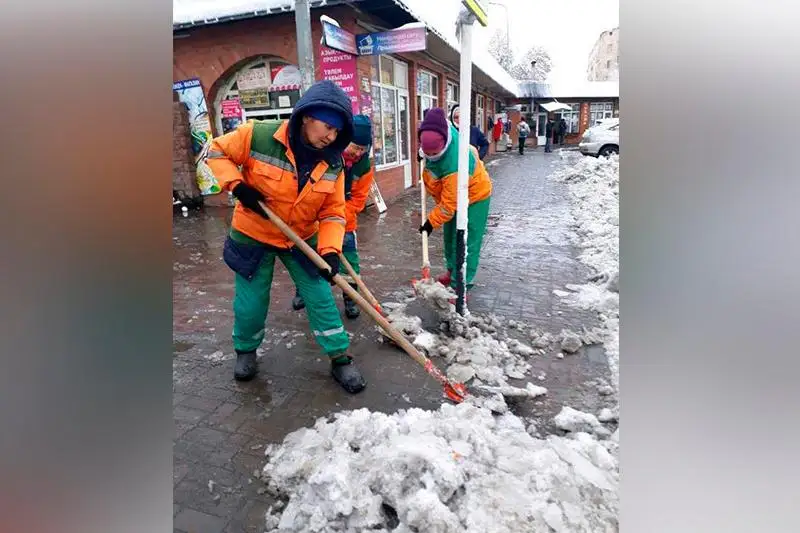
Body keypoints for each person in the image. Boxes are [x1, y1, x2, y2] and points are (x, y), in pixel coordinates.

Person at [206, 79, 366, 394]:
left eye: (337, 132)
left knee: (320, 296)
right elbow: (216, 151)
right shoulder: (258, 136)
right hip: (253, 232)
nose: (331, 137)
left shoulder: (333, 162)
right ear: (306, 116)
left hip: (300, 237)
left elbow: (333, 212)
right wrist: (237, 185)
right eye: (327, 127)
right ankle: (246, 350)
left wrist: (330, 250)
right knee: (251, 301)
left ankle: (339, 357)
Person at [292, 115, 375, 320]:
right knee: (309, 258)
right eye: (356, 146)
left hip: (345, 223)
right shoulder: (325, 155)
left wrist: (335, 219)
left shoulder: (364, 166)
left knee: (350, 264)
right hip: (313, 221)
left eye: (363, 149)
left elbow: (359, 200)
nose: (358, 153)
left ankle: (351, 299)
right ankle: (303, 291)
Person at [417, 108, 493, 300]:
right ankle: (452, 271)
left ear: (444, 145)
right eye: (427, 152)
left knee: (466, 241)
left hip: (475, 197)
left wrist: (430, 223)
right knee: (450, 236)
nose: (431, 156)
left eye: (434, 153)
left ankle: (462, 285)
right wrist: (423, 154)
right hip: (453, 195)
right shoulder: (440, 129)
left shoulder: (455, 163)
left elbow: (448, 206)